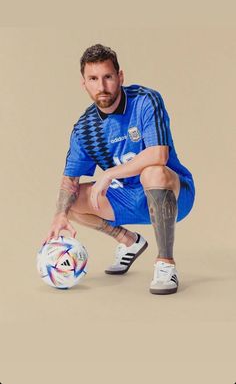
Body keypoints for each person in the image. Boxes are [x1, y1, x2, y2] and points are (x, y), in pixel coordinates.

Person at [45, 43, 195, 295]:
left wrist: (110, 173)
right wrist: (59, 215)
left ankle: (165, 263)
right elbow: (69, 179)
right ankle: (129, 242)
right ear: (84, 84)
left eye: (108, 77)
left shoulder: (145, 100)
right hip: (125, 199)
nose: (101, 86)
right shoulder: (85, 128)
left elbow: (159, 153)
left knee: (153, 171)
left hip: (173, 195)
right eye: (93, 79)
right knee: (69, 202)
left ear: (120, 77)